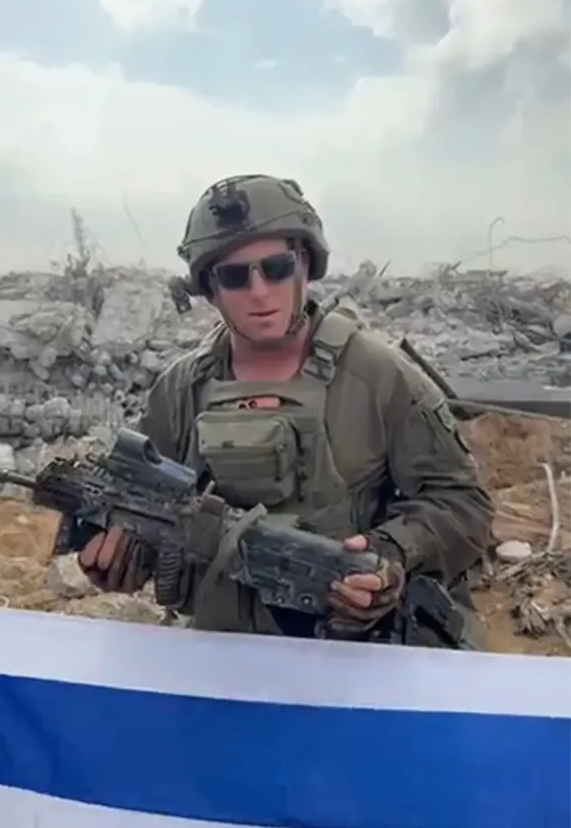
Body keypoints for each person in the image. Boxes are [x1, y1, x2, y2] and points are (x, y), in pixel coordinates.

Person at [78, 173, 494, 645]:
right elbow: (149, 518)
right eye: (234, 276)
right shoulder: (180, 390)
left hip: (359, 649)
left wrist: (387, 555)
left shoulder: (377, 375)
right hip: (224, 648)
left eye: (276, 267)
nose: (259, 292)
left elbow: (463, 504)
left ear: (305, 266)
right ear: (209, 289)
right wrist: (122, 557)